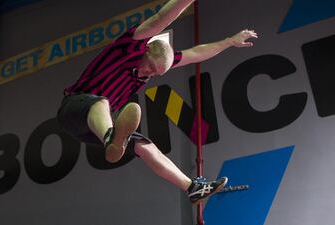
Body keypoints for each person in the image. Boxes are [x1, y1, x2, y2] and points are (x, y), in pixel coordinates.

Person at [57, 0, 258, 205]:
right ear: (145, 50)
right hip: (74, 108)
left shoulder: (153, 69)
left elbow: (196, 53)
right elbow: (162, 17)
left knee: (146, 146)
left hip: (95, 128)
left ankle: (192, 187)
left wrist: (229, 42)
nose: (149, 74)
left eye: (156, 74)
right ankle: (111, 137)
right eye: (150, 67)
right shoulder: (131, 46)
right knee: (100, 103)